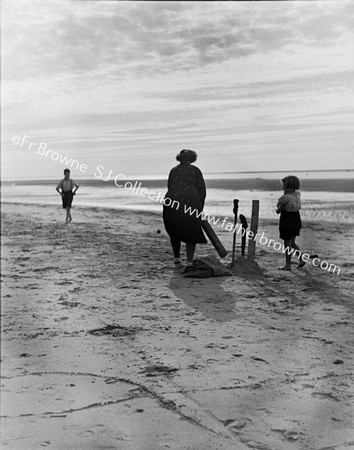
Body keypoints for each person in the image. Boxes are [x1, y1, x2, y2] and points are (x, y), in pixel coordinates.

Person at [163, 149, 207, 266]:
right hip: (191, 200)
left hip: (172, 200)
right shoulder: (195, 170)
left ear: (179, 158)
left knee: (174, 227)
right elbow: (202, 191)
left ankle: (176, 257)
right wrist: (200, 208)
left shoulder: (173, 170)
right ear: (193, 158)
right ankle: (189, 260)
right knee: (191, 229)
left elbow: (170, 186)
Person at [276, 175, 306, 270]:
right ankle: (301, 259)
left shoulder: (285, 198)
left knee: (287, 243)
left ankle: (288, 264)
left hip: (287, 219)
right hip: (296, 218)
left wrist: (280, 205)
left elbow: (278, 210)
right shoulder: (297, 195)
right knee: (292, 242)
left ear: (286, 186)